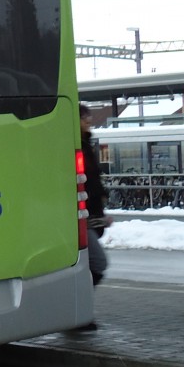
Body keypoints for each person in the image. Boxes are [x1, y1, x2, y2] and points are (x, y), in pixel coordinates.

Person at [78, 103, 111, 330]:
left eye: (88, 116)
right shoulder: (76, 146)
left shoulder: (86, 144)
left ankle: (79, 312)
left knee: (88, 265)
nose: (88, 119)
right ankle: (78, 312)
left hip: (89, 214)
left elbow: (93, 181)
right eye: (83, 117)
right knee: (98, 263)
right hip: (80, 216)